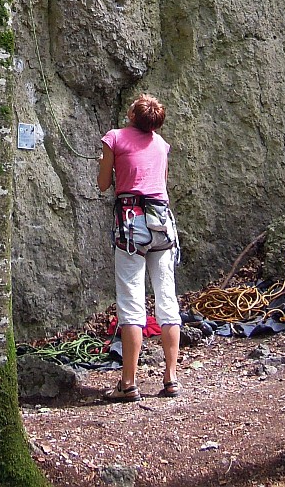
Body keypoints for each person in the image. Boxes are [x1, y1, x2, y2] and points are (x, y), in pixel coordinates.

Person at [97, 92, 181, 402]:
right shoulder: (161, 145)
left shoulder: (114, 138)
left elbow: (103, 184)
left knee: (131, 301)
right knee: (166, 298)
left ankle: (128, 382)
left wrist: (113, 164)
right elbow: (159, 183)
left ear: (133, 115)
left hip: (131, 226)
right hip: (162, 224)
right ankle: (171, 377)